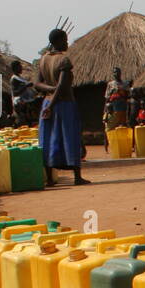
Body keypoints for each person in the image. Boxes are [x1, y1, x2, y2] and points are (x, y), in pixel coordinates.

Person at [35, 26, 89, 186]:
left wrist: (49, 97)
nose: (67, 43)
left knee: (48, 139)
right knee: (70, 137)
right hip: (64, 104)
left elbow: (37, 83)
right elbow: (62, 85)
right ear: (57, 41)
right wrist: (52, 104)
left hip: (47, 102)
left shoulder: (43, 59)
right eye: (65, 40)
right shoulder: (63, 61)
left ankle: (50, 179)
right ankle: (77, 177)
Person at [9, 61, 39, 126]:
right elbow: (15, 93)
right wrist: (26, 86)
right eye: (19, 66)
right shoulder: (14, 79)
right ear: (15, 68)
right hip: (21, 107)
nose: (21, 68)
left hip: (27, 105)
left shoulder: (20, 78)